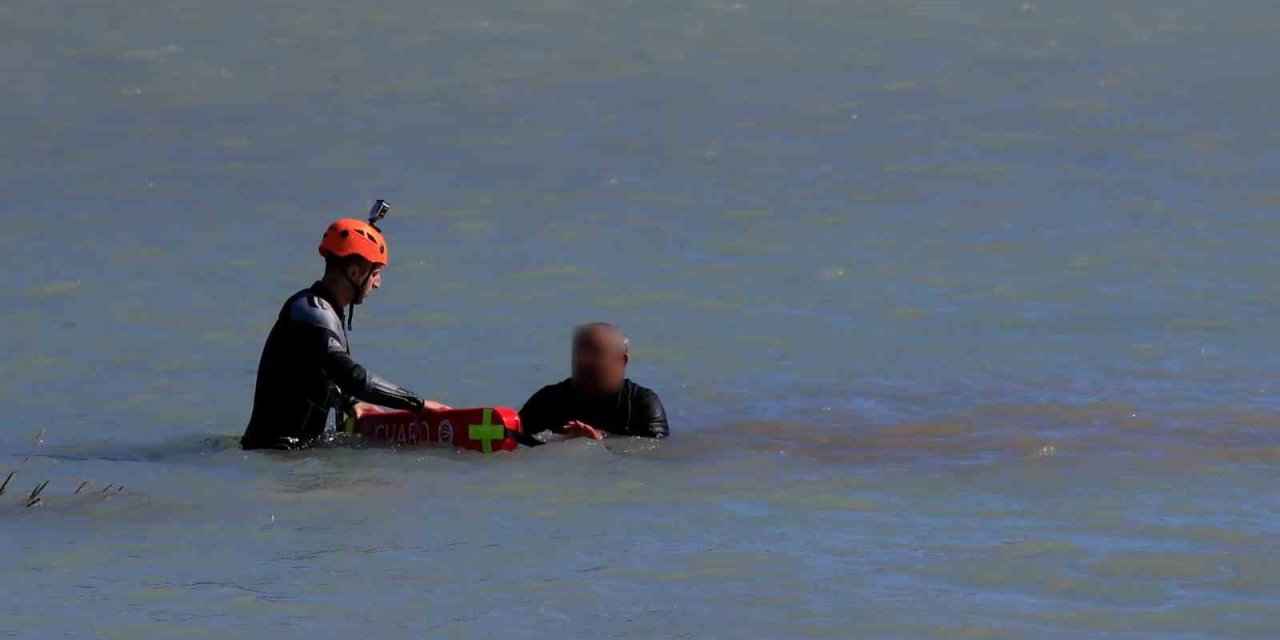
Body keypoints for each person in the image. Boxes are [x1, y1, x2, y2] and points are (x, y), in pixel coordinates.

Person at [241, 212, 447, 450]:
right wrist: (418, 404)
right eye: (375, 273)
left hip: (290, 456)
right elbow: (351, 376)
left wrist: (350, 403)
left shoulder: (324, 311)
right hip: (275, 454)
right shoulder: (310, 312)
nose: (377, 283)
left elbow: (313, 377)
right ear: (354, 272)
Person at [517, 323, 669, 446]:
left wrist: (602, 439)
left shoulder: (641, 404)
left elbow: (655, 452)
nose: (584, 359)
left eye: (596, 352)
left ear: (621, 361)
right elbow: (515, 436)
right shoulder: (548, 400)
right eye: (580, 352)